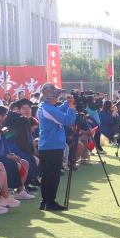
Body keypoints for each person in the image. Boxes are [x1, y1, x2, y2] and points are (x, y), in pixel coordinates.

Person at [36, 83, 76, 211]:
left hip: (49, 146)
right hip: (51, 146)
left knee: (48, 175)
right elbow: (68, 120)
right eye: (56, 95)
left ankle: (45, 202)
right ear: (50, 96)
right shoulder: (48, 108)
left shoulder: (46, 106)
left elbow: (58, 111)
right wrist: (71, 107)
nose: (58, 97)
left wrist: (67, 104)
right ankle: (50, 202)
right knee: (52, 176)